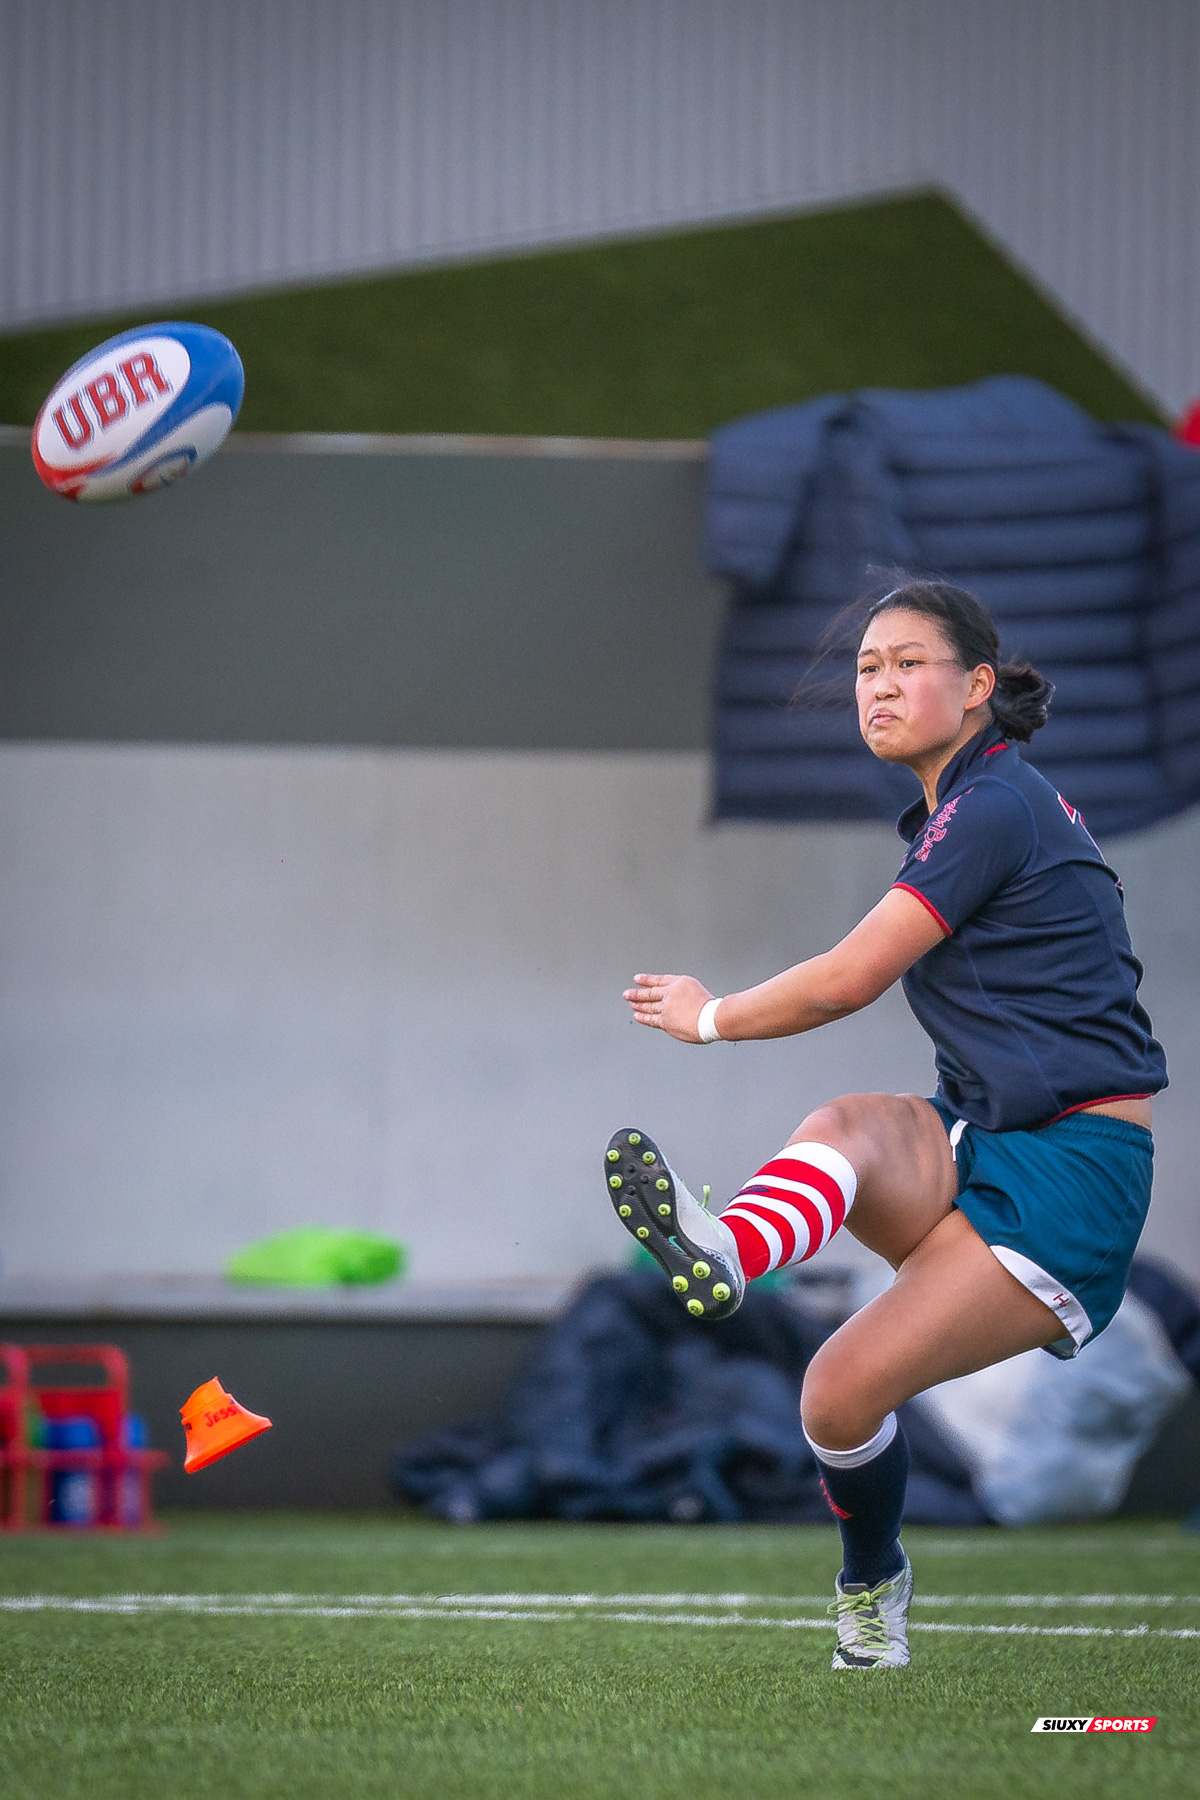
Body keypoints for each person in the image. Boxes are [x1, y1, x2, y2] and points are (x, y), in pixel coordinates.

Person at [605, 578, 1166, 1671]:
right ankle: (728, 1247)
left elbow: (848, 980)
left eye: (910, 662)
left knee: (838, 1391)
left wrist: (709, 1016)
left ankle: (872, 1587)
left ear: (978, 688)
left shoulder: (994, 805)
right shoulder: (969, 806)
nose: (881, 684)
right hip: (989, 1136)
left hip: (1076, 1174)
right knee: (850, 1126)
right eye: (867, 666)